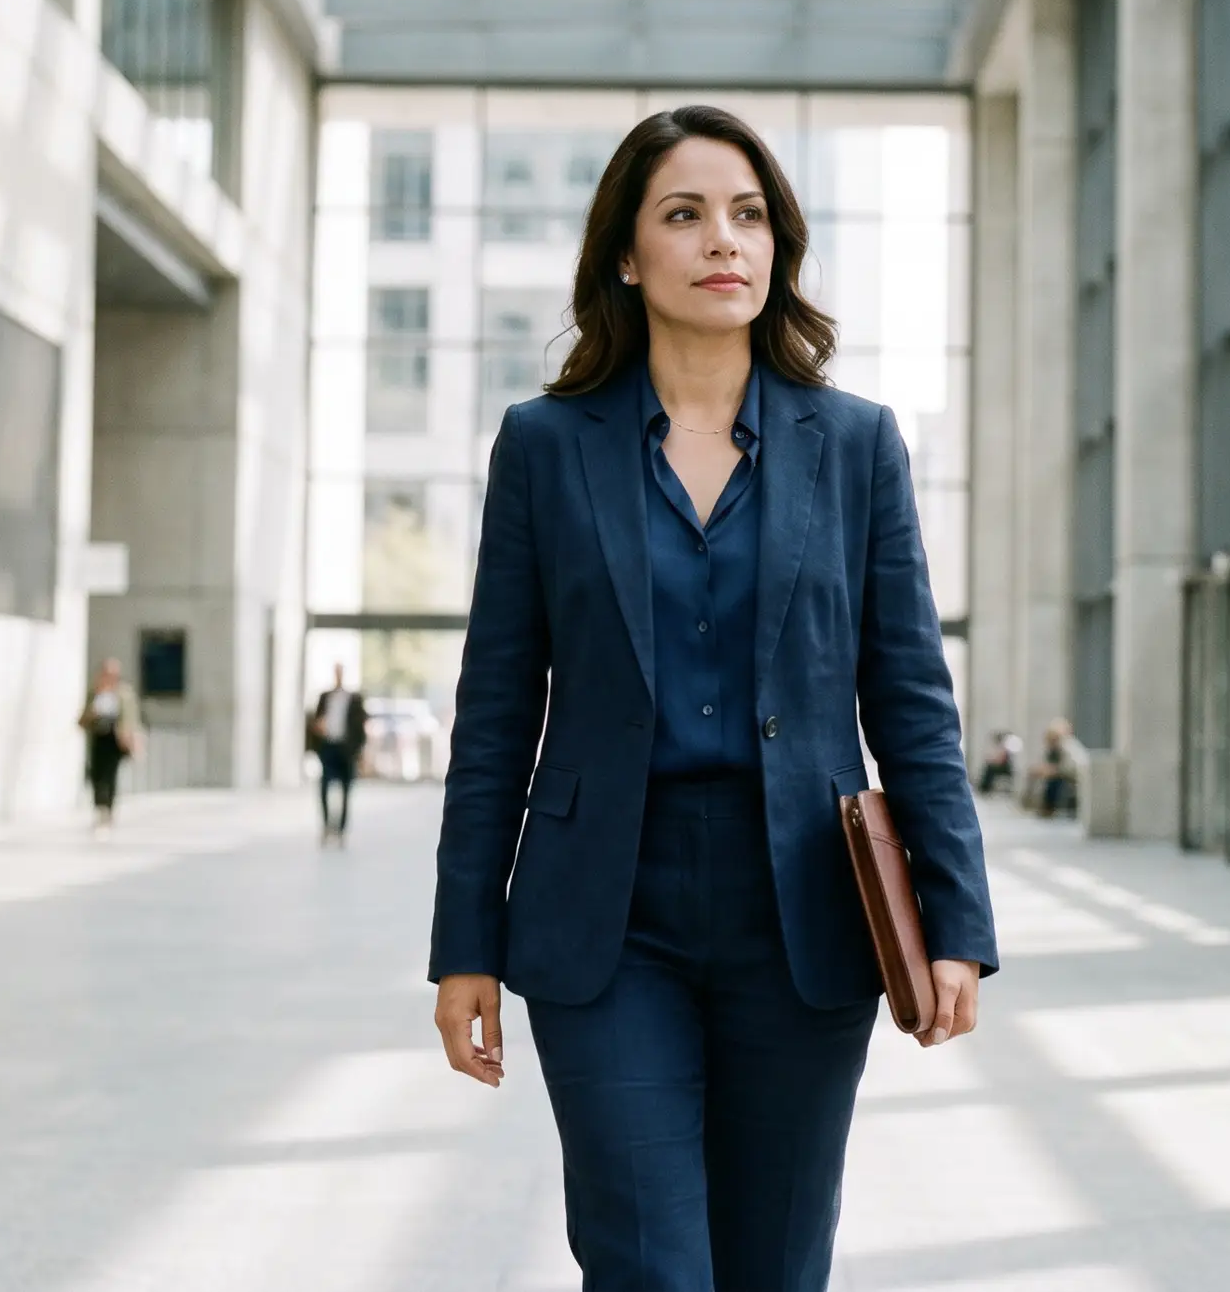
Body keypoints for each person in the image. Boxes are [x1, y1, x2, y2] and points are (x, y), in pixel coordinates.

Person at [428, 106, 998, 1292]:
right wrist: (464, 943)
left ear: (778, 246)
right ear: (627, 258)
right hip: (607, 913)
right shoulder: (545, 446)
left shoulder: (857, 445)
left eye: (747, 215)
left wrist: (956, 921)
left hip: (803, 908)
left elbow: (910, 698)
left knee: (776, 1265)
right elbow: (495, 713)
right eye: (683, 215)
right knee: (647, 1263)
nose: (721, 240)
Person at [306, 664, 367, 847]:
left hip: (346, 750)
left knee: (346, 790)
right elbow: (315, 721)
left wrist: (359, 752)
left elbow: (360, 727)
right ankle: (326, 826)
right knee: (324, 787)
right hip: (328, 746)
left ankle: (341, 830)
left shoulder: (354, 699)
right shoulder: (325, 697)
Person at [80, 658, 142, 832]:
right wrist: (92, 713)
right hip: (98, 737)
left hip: (115, 740)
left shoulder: (124, 693)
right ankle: (100, 808)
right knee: (97, 774)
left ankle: (108, 809)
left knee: (111, 774)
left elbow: (131, 718)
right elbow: (84, 717)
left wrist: (133, 739)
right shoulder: (95, 693)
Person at [1026, 719, 1085, 819]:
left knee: (1054, 781)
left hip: (1074, 779)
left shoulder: (1069, 747)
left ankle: (1048, 808)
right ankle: (1033, 805)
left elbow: (1070, 769)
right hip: (1064, 776)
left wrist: (1052, 771)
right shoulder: (1053, 750)